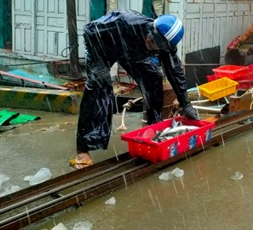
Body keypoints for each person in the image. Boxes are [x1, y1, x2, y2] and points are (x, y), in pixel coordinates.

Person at [70, 10, 199, 169]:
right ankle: (83, 149)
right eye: (152, 41)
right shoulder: (124, 22)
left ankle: (152, 131)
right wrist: (98, 65)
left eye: (157, 47)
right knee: (98, 88)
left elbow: (174, 71)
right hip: (103, 49)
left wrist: (186, 104)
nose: (152, 46)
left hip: (134, 54)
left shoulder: (166, 46)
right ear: (151, 30)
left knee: (153, 79)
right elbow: (89, 30)